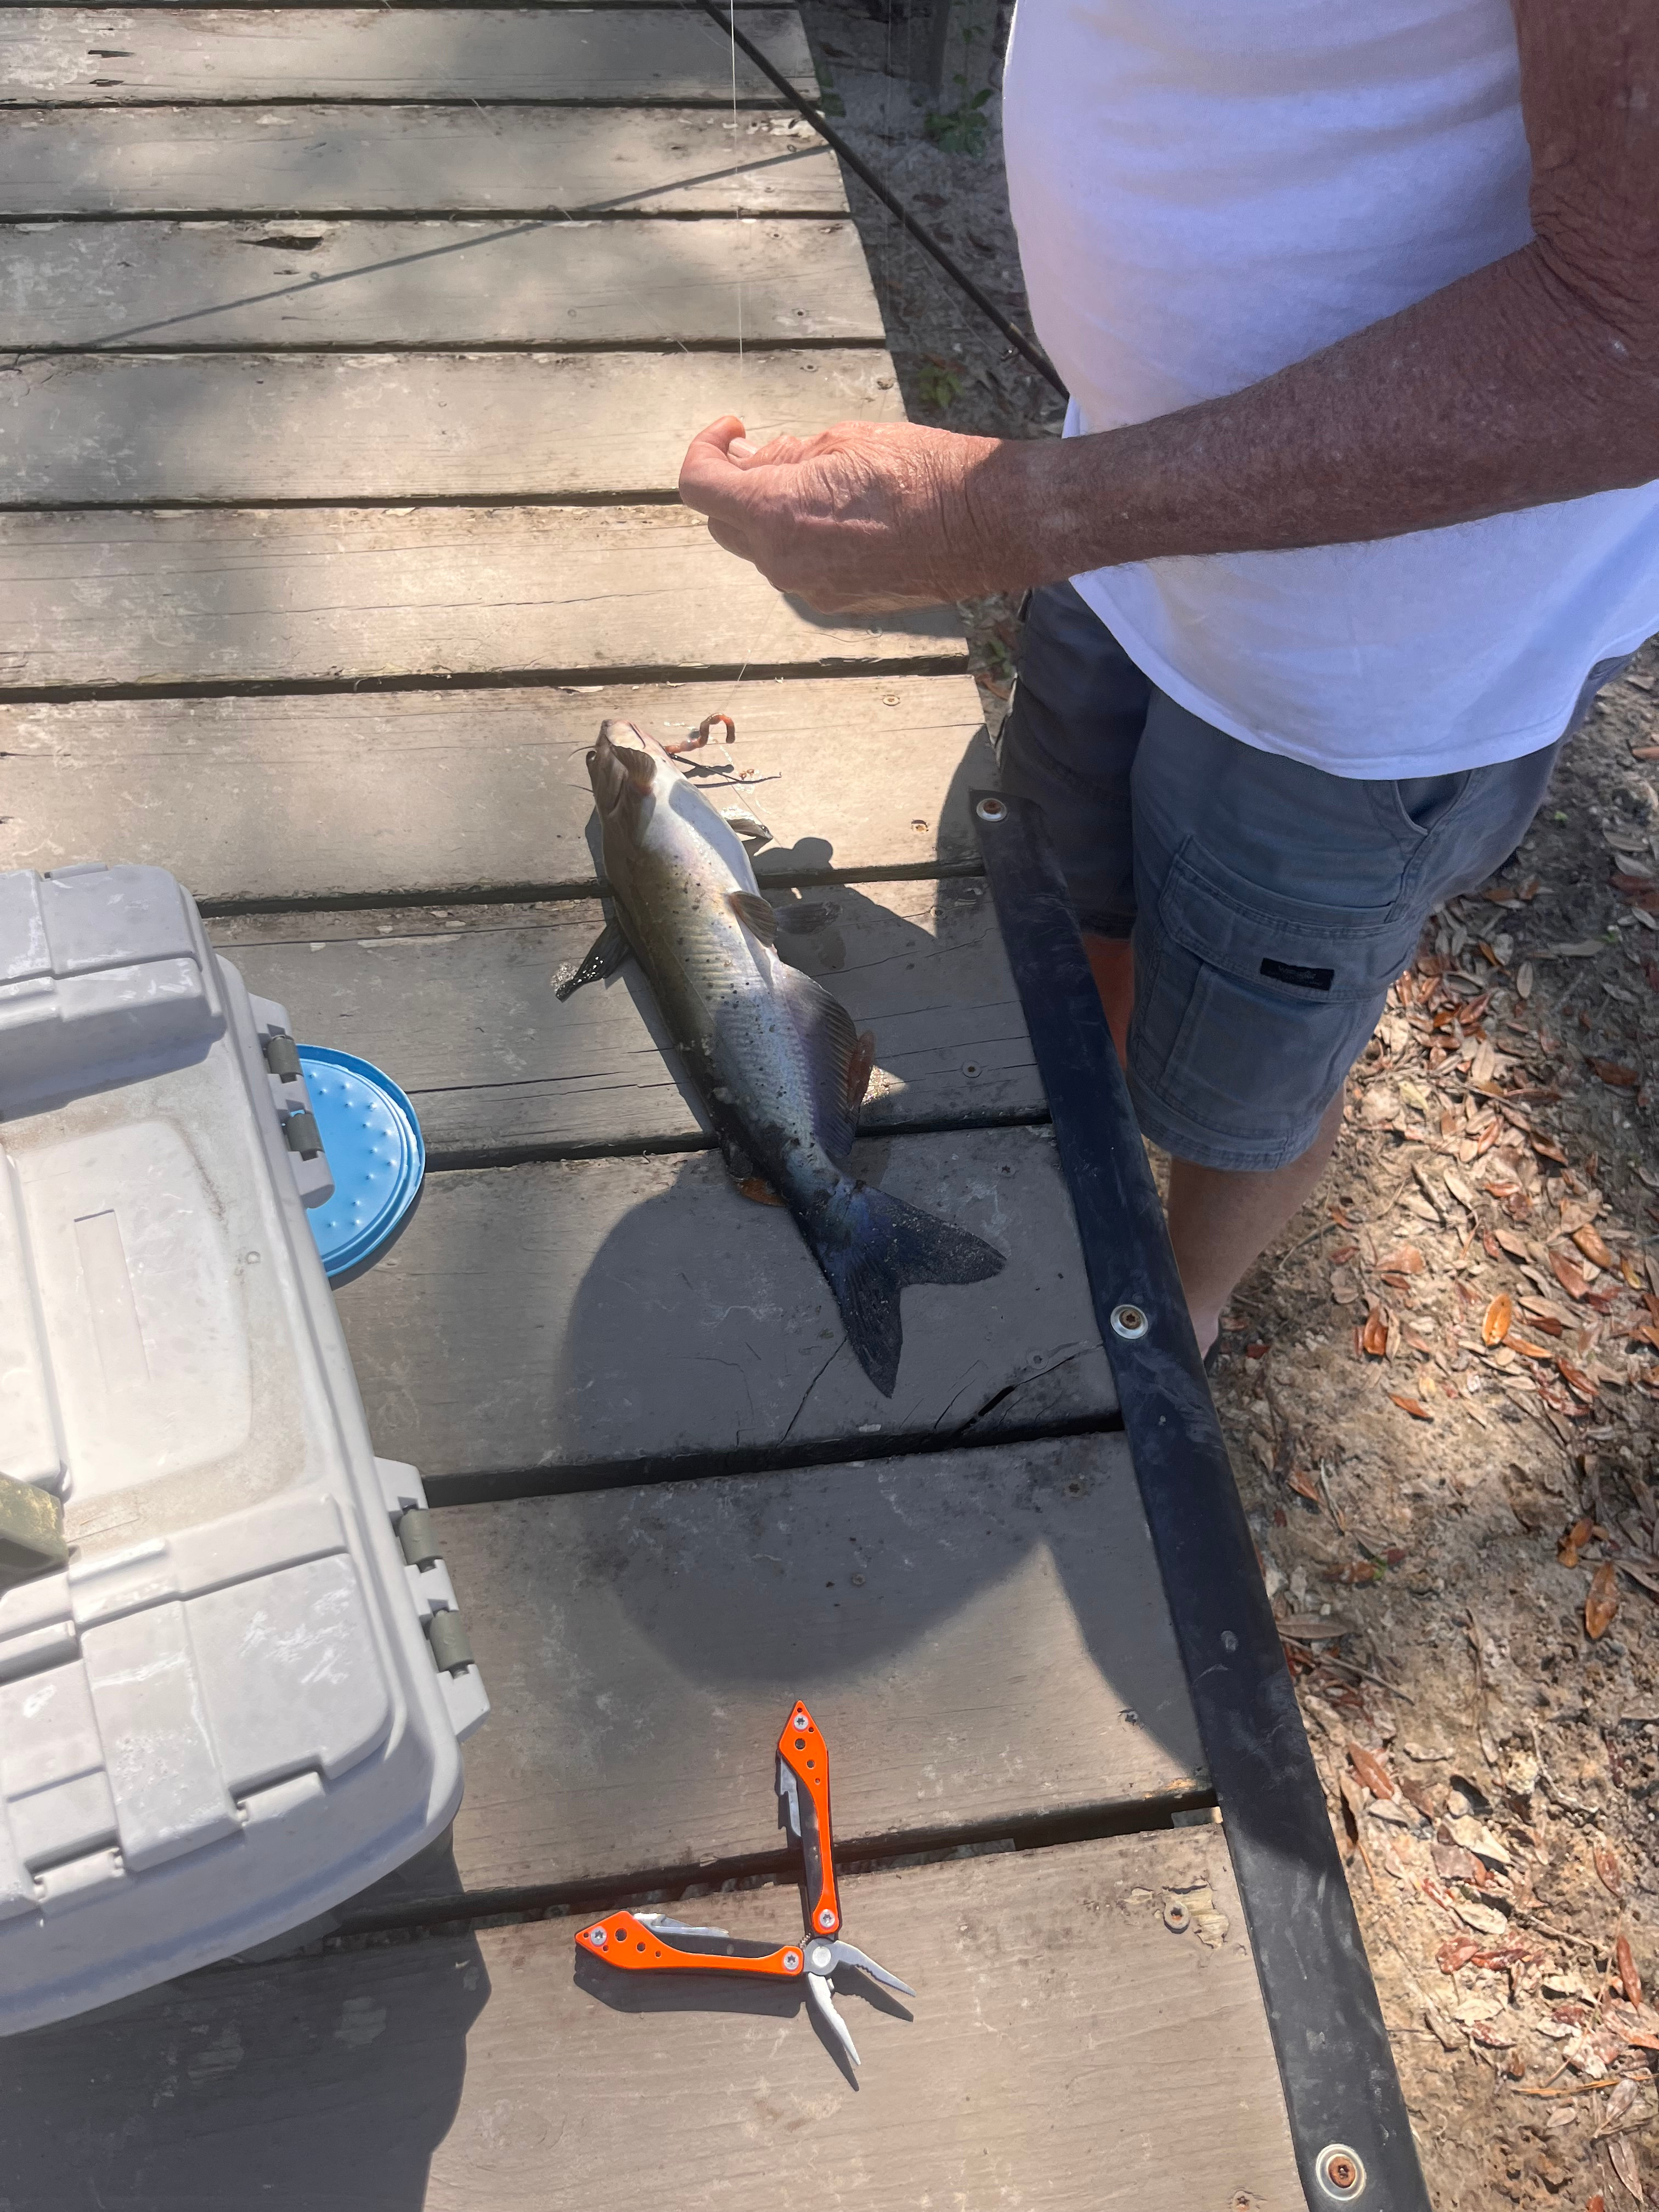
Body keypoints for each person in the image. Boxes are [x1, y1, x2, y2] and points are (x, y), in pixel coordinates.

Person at [678, 0, 1659, 1356]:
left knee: (1243, 1093)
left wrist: (1012, 517)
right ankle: (1094, 1148)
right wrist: (1064, 503)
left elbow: (1636, 334)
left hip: (1360, 679)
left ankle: (1185, 1311)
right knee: (1086, 918)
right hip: (1124, 511)